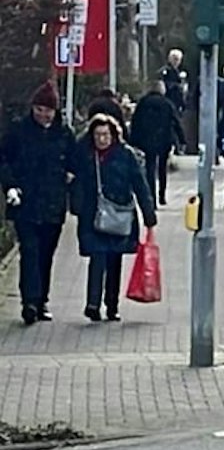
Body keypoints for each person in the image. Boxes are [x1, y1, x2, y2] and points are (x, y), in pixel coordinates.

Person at [68, 114, 156, 321]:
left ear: (113, 135)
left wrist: (149, 214)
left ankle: (111, 305)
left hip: (119, 214)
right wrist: (76, 204)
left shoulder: (126, 155)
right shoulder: (86, 155)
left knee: (114, 260)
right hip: (92, 215)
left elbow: (140, 185)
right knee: (97, 257)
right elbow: (76, 181)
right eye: (98, 135)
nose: (102, 139)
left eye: (105, 135)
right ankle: (93, 303)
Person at [1, 82, 74, 325]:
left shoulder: (64, 134)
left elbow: (76, 161)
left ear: (56, 111)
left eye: (48, 110)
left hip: (53, 204)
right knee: (29, 251)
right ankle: (29, 302)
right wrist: (10, 185)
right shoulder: (18, 132)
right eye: (39, 109)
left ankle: (42, 299)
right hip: (26, 201)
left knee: (46, 254)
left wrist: (72, 175)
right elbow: (4, 160)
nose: (43, 115)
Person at [128, 81, 180, 204]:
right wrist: (180, 140)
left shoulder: (143, 103)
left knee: (150, 168)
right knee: (162, 168)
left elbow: (135, 122)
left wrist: (133, 140)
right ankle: (162, 195)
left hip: (146, 140)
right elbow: (176, 121)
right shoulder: (167, 103)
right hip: (164, 139)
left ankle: (151, 197)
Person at [159, 49, 188, 152]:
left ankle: (177, 146)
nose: (177, 62)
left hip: (176, 103)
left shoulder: (179, 73)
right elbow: (166, 86)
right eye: (174, 59)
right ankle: (175, 146)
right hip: (169, 102)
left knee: (176, 125)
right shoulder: (165, 71)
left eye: (178, 59)